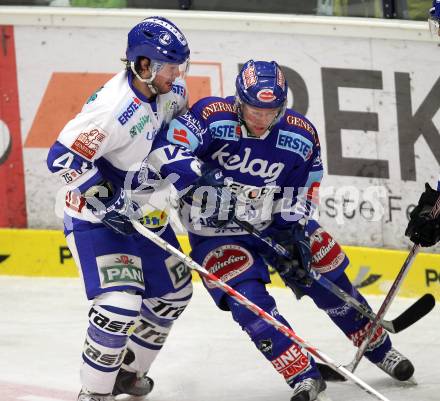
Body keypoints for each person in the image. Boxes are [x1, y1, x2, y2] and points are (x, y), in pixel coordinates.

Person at [148, 60, 415, 401]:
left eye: (270, 110)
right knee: (247, 301)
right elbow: (165, 149)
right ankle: (300, 372)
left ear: (283, 106)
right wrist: (200, 178)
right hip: (214, 232)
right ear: (238, 101)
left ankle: (378, 347)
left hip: (274, 223)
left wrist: (295, 236)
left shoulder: (300, 135)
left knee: (324, 266)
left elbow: (305, 189)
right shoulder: (210, 116)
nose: (261, 118)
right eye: (253, 109)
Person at [47, 17, 192, 401]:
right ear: (144, 65)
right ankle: (94, 393)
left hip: (142, 213)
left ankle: (127, 373)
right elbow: (62, 158)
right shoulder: (112, 109)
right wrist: (104, 199)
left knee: (175, 292)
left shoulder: (171, 89)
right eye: (171, 65)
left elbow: (176, 132)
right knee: (120, 305)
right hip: (94, 217)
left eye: (180, 65)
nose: (178, 74)